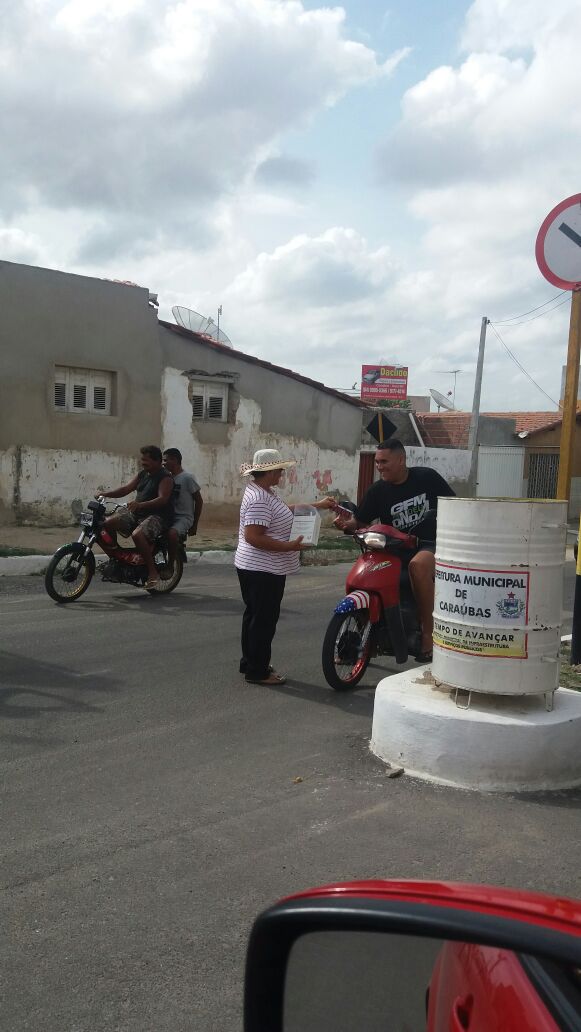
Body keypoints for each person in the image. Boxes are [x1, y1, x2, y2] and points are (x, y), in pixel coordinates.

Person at [334, 438, 455, 662]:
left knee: (417, 566)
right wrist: (345, 524)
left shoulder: (426, 478)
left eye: (384, 462)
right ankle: (367, 637)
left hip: (428, 544)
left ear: (401, 460)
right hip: (394, 547)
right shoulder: (377, 491)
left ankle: (429, 636)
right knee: (367, 573)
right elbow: (360, 522)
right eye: (377, 462)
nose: (379, 467)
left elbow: (454, 505)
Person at [235, 448, 335, 686]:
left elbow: (283, 511)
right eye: (279, 469)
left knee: (254, 617)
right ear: (269, 472)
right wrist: (288, 546)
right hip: (263, 569)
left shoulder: (263, 492)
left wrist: (317, 505)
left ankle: (251, 662)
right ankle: (257, 671)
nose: (281, 473)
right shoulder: (260, 498)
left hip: (256, 567)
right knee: (263, 620)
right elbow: (253, 536)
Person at [100, 445, 174, 590]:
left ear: (157, 461)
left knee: (137, 534)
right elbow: (125, 489)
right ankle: (117, 558)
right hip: (138, 513)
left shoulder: (165, 477)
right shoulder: (143, 474)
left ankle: (152, 572)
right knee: (106, 523)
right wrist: (105, 494)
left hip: (158, 516)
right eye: (142, 460)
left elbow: (162, 499)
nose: (143, 463)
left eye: (146, 460)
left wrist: (140, 505)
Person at [162, 448, 204, 575]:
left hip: (183, 518)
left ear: (174, 460)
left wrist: (194, 524)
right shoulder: (166, 477)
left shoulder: (187, 478)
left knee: (172, 534)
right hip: (168, 516)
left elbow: (199, 501)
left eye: (166, 460)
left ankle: (170, 566)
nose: (163, 463)